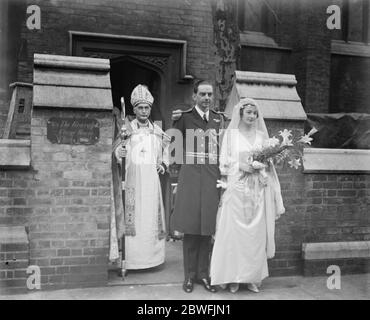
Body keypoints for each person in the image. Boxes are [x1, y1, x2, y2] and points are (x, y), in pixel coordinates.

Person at [210, 97, 285, 293]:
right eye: (248, 112)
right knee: (235, 234)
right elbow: (223, 162)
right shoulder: (231, 135)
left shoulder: (262, 137)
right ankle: (234, 277)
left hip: (257, 192)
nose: (252, 116)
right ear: (240, 114)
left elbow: (269, 164)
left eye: (255, 113)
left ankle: (252, 277)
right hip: (236, 189)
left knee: (254, 235)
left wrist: (262, 166)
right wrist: (241, 166)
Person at [172, 80, 225, 293]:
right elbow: (174, 150)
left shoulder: (218, 119)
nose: (206, 98)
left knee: (207, 228)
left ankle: (204, 274)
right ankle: (189, 276)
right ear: (194, 96)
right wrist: (177, 180)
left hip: (212, 179)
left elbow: (223, 150)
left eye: (209, 95)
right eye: (202, 94)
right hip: (190, 179)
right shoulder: (184, 118)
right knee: (191, 228)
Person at [111, 84, 169, 270]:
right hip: (133, 180)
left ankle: (152, 259)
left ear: (150, 109)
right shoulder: (127, 130)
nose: (144, 111)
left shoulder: (157, 132)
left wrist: (162, 164)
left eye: (147, 108)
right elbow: (116, 151)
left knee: (151, 217)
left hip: (151, 181)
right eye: (140, 107)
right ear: (134, 109)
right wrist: (119, 151)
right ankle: (132, 261)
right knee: (134, 218)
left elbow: (166, 151)